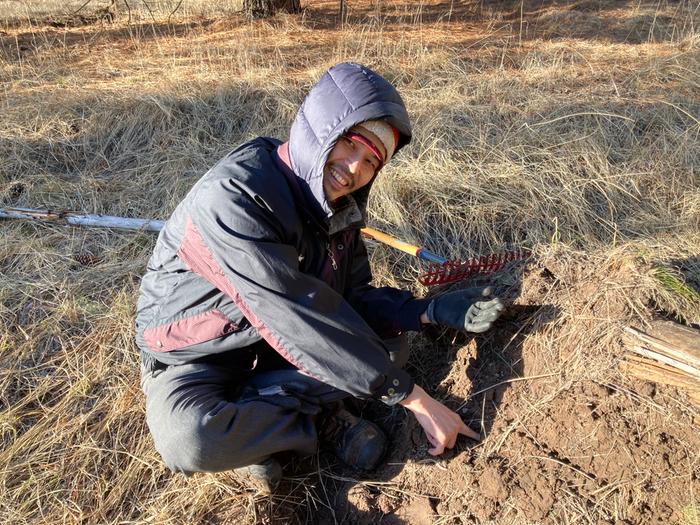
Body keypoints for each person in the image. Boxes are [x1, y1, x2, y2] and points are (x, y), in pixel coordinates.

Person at [136, 62, 504, 492]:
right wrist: (414, 399)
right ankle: (316, 420)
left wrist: (427, 311)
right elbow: (292, 314)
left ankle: (269, 430)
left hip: (276, 346)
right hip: (198, 358)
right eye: (351, 144)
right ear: (321, 128)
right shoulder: (236, 197)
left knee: (389, 346)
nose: (353, 169)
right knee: (191, 438)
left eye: (371, 162)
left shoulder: (337, 210)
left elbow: (351, 297)